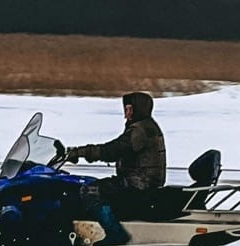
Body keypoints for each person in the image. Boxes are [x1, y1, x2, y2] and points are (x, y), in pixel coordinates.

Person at [59, 91, 167, 220]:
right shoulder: (147, 126)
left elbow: (111, 151)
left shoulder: (140, 130)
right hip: (143, 181)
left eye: (130, 109)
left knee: (89, 191)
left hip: (139, 183)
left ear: (138, 109)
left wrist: (79, 152)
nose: (126, 114)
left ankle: (113, 232)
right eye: (126, 109)